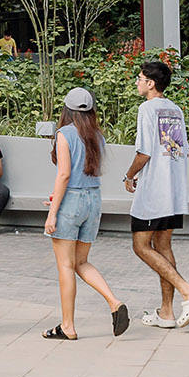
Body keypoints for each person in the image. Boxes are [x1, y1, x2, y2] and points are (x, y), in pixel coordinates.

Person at [124, 59, 189, 329]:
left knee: (141, 246)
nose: (137, 82)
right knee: (163, 247)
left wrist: (129, 175)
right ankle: (167, 313)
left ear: (150, 83)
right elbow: (178, 150)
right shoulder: (175, 109)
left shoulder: (147, 108)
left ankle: (188, 292)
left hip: (154, 192)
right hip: (174, 189)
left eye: (140, 78)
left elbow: (144, 152)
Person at [42, 87, 129, 340]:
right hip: (93, 200)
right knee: (81, 262)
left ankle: (67, 326)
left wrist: (53, 213)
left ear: (66, 110)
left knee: (66, 266)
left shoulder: (64, 134)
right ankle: (114, 302)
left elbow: (64, 175)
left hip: (71, 201)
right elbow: (84, 175)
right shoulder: (97, 136)